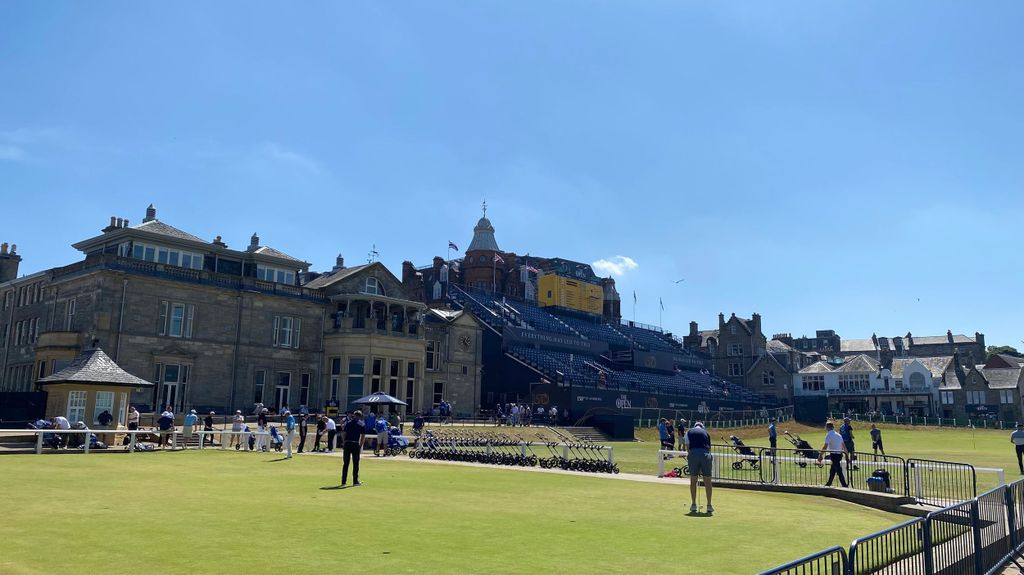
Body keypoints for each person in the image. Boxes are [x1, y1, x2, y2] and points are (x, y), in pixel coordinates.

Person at [685, 422, 714, 513]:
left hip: (694, 453)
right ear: (702, 427)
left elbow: (687, 447)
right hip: (705, 454)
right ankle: (709, 505)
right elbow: (709, 448)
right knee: (707, 481)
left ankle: (693, 504)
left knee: (693, 480)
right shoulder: (706, 433)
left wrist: (691, 457)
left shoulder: (689, 432)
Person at [818, 421, 849, 487]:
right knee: (833, 470)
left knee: (838, 470)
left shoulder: (829, 435)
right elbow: (844, 446)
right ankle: (829, 483)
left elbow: (825, 446)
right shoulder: (838, 435)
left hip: (834, 454)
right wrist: (847, 456)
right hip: (839, 454)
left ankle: (844, 485)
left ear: (827, 427)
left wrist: (820, 454)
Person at [341, 411, 366, 486]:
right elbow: (363, 436)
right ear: (360, 416)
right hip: (355, 444)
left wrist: (344, 442)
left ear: (354, 415)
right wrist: (360, 445)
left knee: (346, 463)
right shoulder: (361, 424)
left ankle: (343, 481)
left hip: (348, 443)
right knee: (356, 463)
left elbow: (344, 433)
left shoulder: (348, 423)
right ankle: (355, 481)